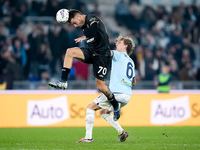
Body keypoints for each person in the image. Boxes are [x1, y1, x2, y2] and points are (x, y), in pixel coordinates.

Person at [48, 9, 120, 120]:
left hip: (102, 56)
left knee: (101, 86)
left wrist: (84, 37)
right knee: (69, 52)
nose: (75, 26)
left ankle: (115, 105)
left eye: (74, 22)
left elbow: (94, 29)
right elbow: (74, 16)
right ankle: (63, 81)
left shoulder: (91, 19)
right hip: (91, 52)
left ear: (80, 16)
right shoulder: (81, 24)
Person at [77, 35, 136, 143]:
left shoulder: (118, 54)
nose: (116, 44)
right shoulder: (131, 62)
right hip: (127, 95)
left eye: (119, 42)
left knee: (90, 107)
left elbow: (105, 52)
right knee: (104, 112)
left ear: (126, 46)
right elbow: (134, 81)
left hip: (116, 93)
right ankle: (121, 132)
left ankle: (88, 138)